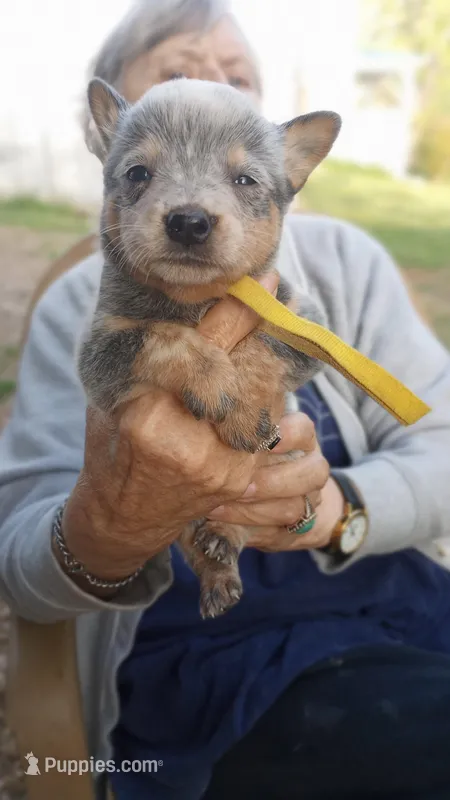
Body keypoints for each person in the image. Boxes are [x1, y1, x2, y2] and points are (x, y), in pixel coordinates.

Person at [1, 1, 450, 798]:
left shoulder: (349, 265)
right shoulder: (79, 306)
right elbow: (22, 562)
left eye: (236, 85)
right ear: (106, 144)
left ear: (284, 174)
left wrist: (339, 507)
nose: (191, 202)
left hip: (391, 596)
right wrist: (109, 527)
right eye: (175, 80)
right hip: (213, 659)